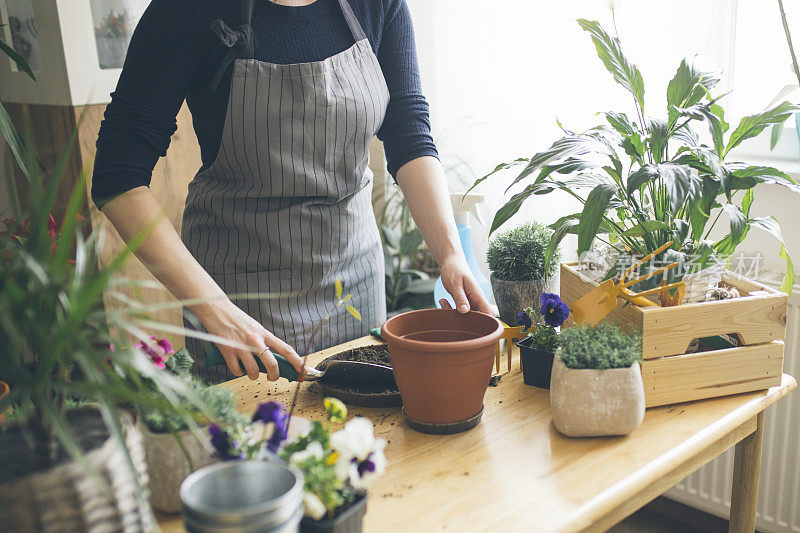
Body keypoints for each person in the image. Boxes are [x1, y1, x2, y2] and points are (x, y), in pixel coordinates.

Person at [92, 0, 490, 384]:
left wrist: (450, 253)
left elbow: (409, 133)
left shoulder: (377, 3)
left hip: (354, 283)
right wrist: (213, 308)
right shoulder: (188, 8)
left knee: (363, 440)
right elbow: (118, 176)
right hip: (239, 301)